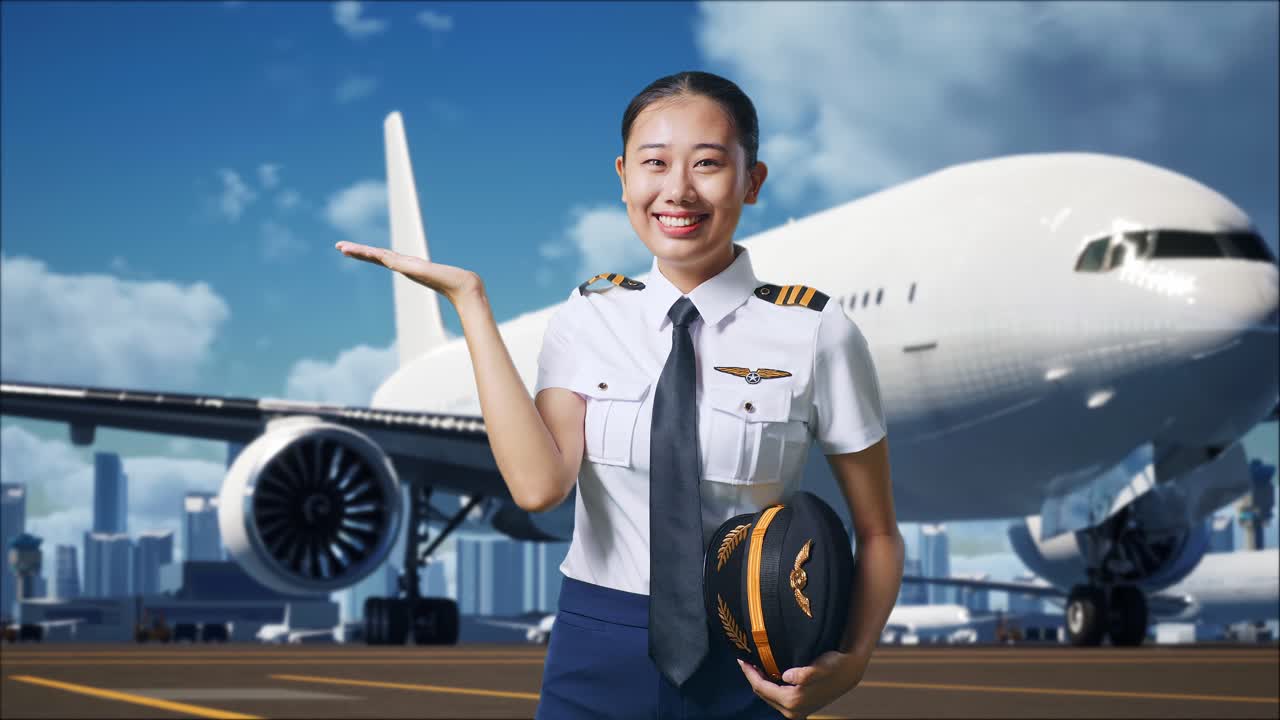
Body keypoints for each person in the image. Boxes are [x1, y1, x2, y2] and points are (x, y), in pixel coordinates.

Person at [336, 70, 904, 720]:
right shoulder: (588, 315)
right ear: (623, 177)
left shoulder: (815, 331)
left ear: (752, 181)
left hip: (753, 654)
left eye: (708, 163)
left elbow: (878, 533)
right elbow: (538, 488)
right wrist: (471, 304)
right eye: (654, 163)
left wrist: (854, 660)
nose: (677, 190)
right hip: (595, 649)